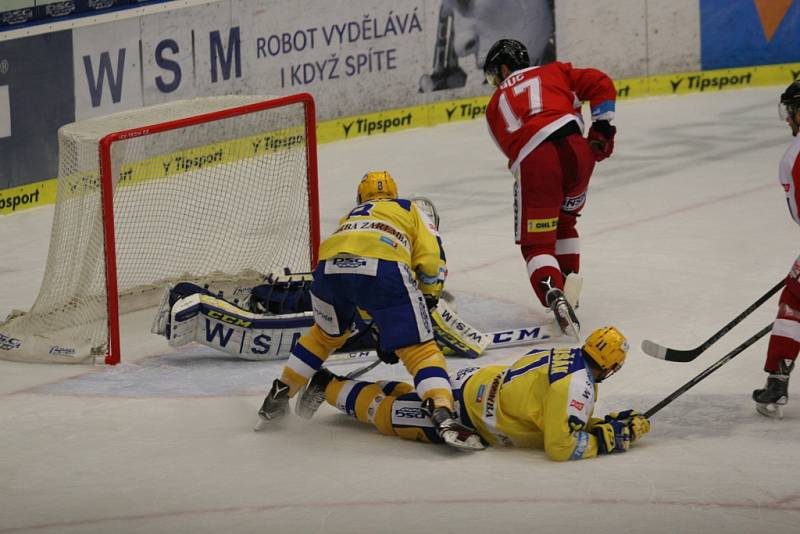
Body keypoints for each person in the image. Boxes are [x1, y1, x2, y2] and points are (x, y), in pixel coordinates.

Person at [256, 171, 484, 451]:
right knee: (421, 350)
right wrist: (428, 299)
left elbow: (360, 289)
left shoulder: (351, 217)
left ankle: (277, 396)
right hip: (383, 267)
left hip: (328, 269)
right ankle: (442, 414)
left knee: (323, 337)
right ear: (394, 193)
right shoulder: (407, 208)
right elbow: (431, 261)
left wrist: (385, 330)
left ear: (360, 197)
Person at [294, 326, 650, 461]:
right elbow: (559, 446)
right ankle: (326, 385)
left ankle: (335, 385)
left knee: (408, 395)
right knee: (391, 415)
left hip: (470, 386)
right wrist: (605, 440)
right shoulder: (578, 385)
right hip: (469, 416)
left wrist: (599, 423)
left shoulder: (568, 354)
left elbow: (549, 411)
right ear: (612, 366)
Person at [482, 38, 617, 340]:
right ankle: (572, 291)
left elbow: (516, 150)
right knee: (566, 221)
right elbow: (600, 82)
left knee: (537, 243)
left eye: (493, 75)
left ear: (504, 68)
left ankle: (554, 295)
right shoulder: (555, 72)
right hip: (578, 153)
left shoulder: (493, 108)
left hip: (538, 161)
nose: (494, 83)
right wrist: (603, 128)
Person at [753, 81, 800, 418]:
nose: (788, 120)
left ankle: (778, 381)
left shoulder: (794, 156)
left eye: (791, 111)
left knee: (794, 305)